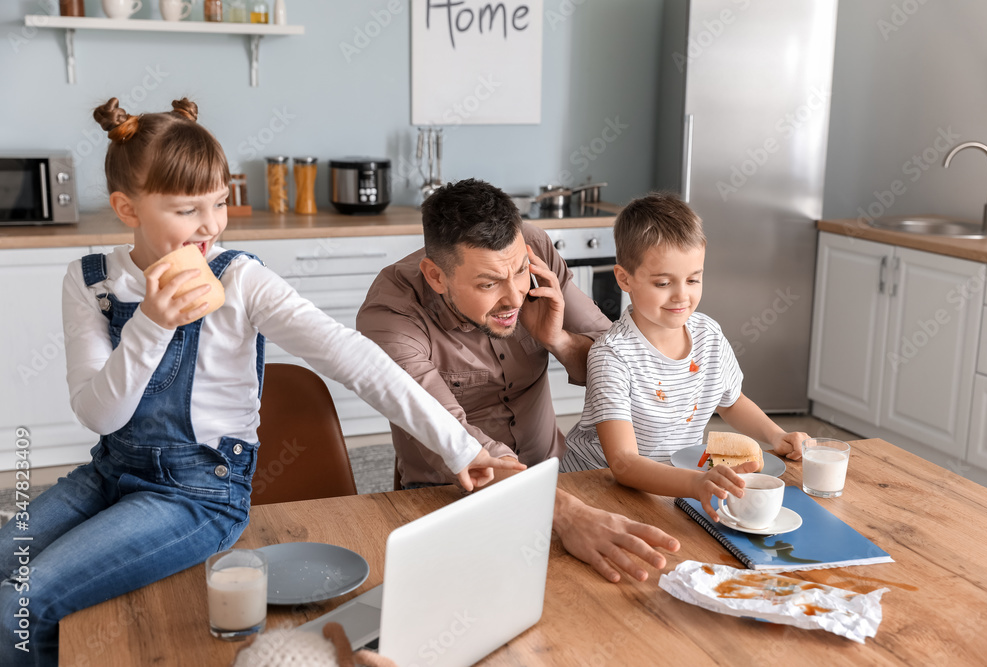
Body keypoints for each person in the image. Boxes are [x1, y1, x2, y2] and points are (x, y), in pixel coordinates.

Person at [0, 99, 519, 667]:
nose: (210, 225)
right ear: (128, 207)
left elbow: (354, 357)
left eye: (220, 202)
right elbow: (100, 415)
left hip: (198, 494)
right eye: (187, 209)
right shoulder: (91, 282)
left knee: (20, 605)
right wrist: (151, 323)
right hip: (110, 470)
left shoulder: (241, 279)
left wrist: (460, 447)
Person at [357, 179, 682, 584]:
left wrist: (558, 340)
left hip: (562, 476)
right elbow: (459, 443)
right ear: (436, 277)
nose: (514, 297)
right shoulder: (390, 318)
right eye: (488, 284)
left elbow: (621, 363)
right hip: (448, 498)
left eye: (519, 273)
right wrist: (565, 513)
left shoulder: (532, 248)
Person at [559, 192, 808, 520]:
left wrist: (776, 435)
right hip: (595, 488)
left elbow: (731, 402)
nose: (682, 295)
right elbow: (623, 463)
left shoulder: (709, 336)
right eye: (663, 282)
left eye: (693, 279)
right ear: (624, 279)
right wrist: (697, 483)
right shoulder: (612, 356)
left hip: (670, 483)